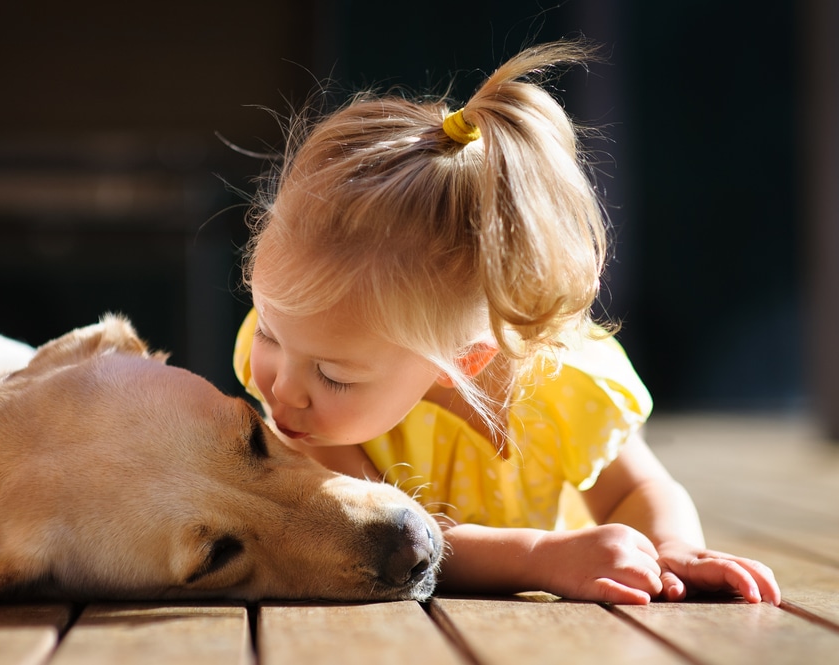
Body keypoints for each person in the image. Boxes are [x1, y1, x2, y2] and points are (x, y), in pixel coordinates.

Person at [231, 40, 781, 605]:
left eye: (333, 375)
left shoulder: (567, 385)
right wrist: (541, 558)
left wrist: (673, 550)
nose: (281, 387)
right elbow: (387, 542)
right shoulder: (315, 423)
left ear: (463, 360)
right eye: (270, 333)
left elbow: (637, 490)